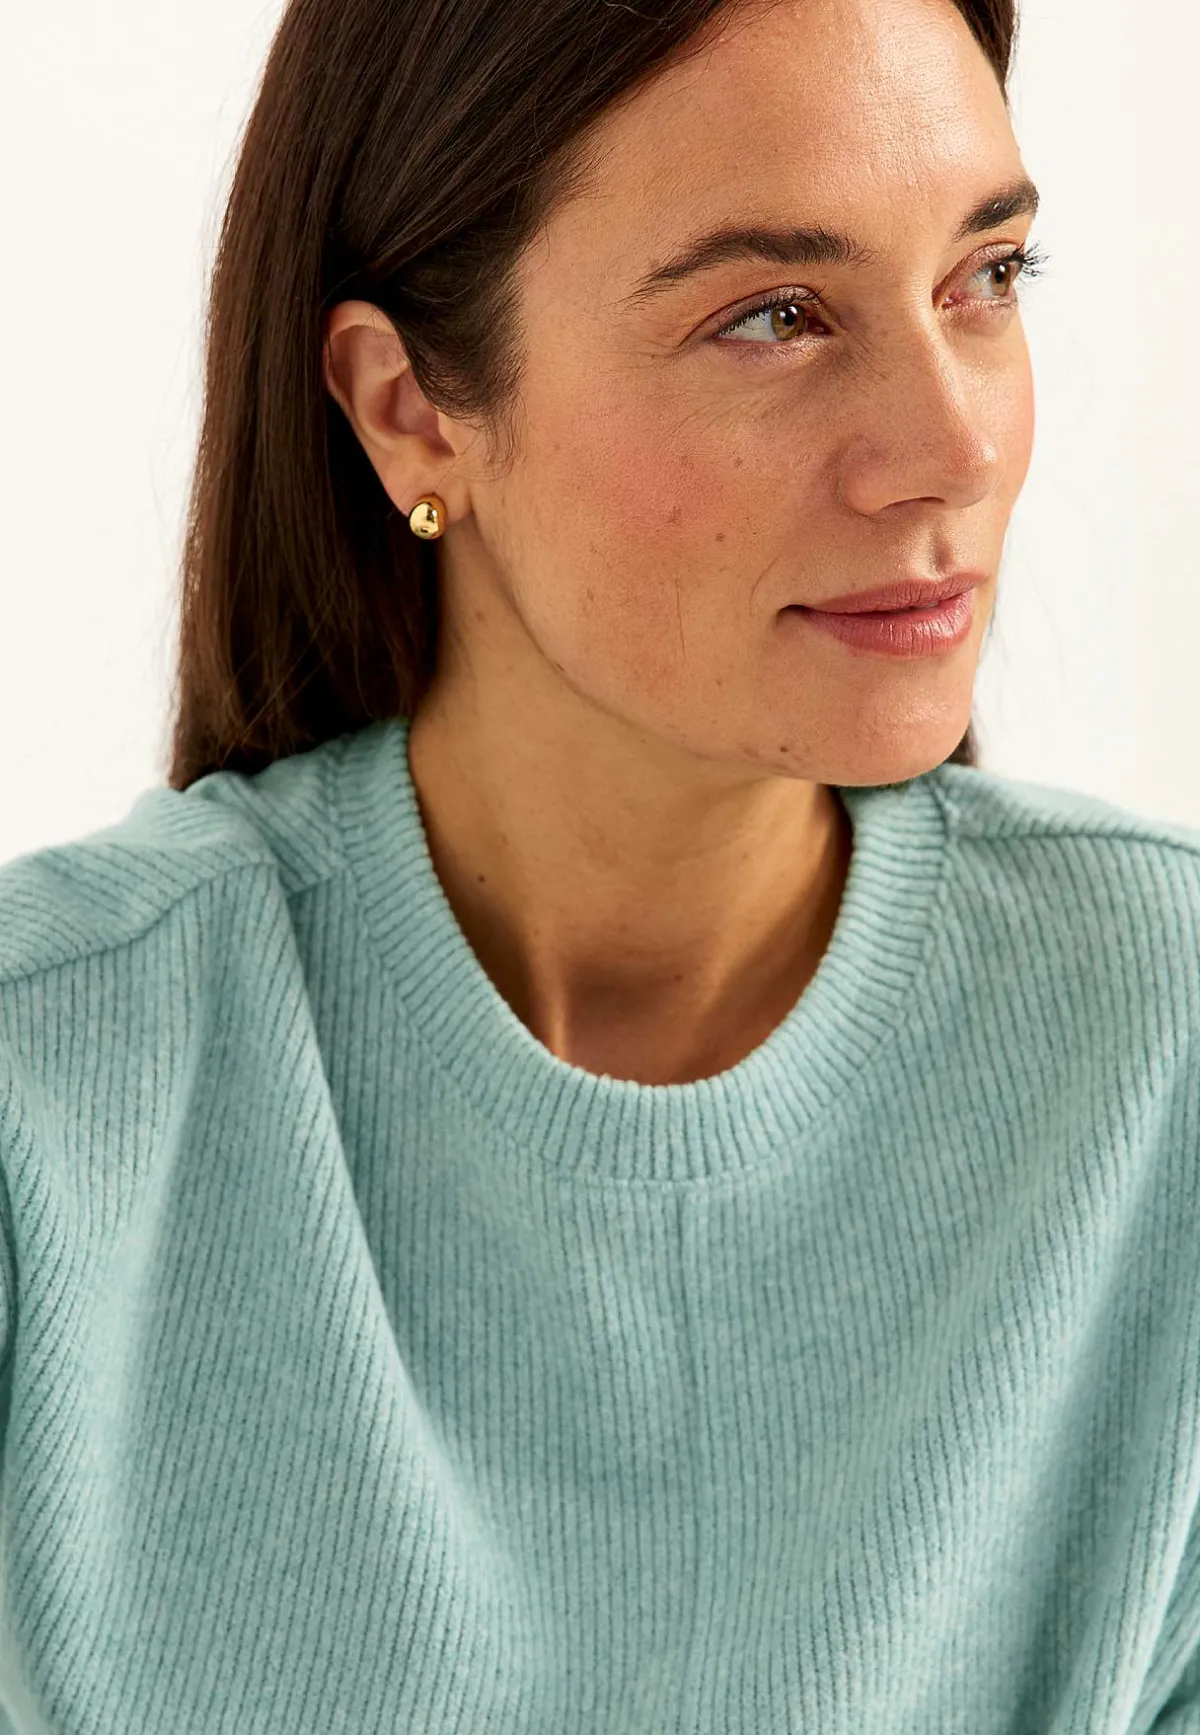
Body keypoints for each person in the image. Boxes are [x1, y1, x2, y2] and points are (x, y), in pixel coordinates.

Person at [1, 0, 1198, 1728]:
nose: (953, 448)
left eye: (986, 277)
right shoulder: (51, 1099)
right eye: (776, 315)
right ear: (411, 409)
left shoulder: (1160, 1053)